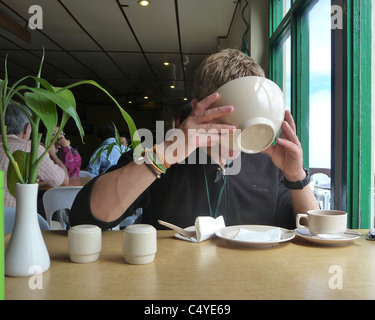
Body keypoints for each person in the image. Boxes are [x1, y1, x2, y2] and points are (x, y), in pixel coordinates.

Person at [70, 48, 319, 230]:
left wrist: (296, 176)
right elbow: (87, 218)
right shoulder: (159, 152)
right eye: (228, 116)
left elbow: (314, 231)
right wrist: (166, 154)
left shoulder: (269, 164)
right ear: (197, 107)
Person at [0, 103, 69, 207]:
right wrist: (53, 155)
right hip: (14, 220)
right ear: (27, 128)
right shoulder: (31, 149)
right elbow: (63, 181)